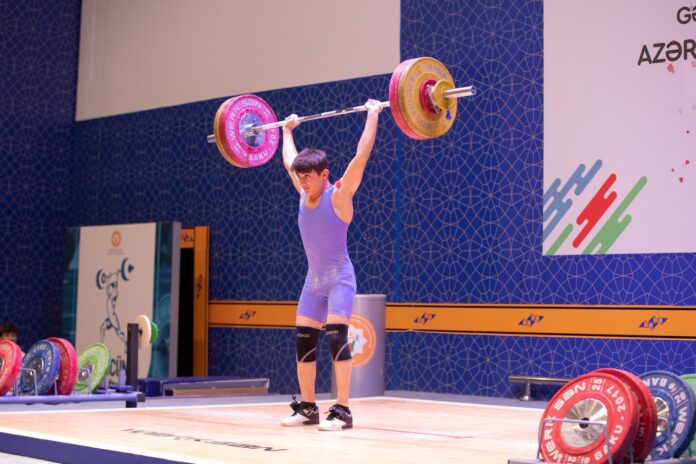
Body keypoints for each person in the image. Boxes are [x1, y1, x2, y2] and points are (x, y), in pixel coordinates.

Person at [279, 99, 382, 431]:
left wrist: (372, 114)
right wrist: (286, 131)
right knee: (304, 342)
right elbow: (288, 161)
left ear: (325, 175)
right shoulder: (302, 193)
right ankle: (309, 407)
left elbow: (361, 156)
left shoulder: (338, 196)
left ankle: (343, 410)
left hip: (339, 279)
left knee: (337, 338)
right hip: (313, 283)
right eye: (301, 178)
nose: (303, 182)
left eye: (308, 177)